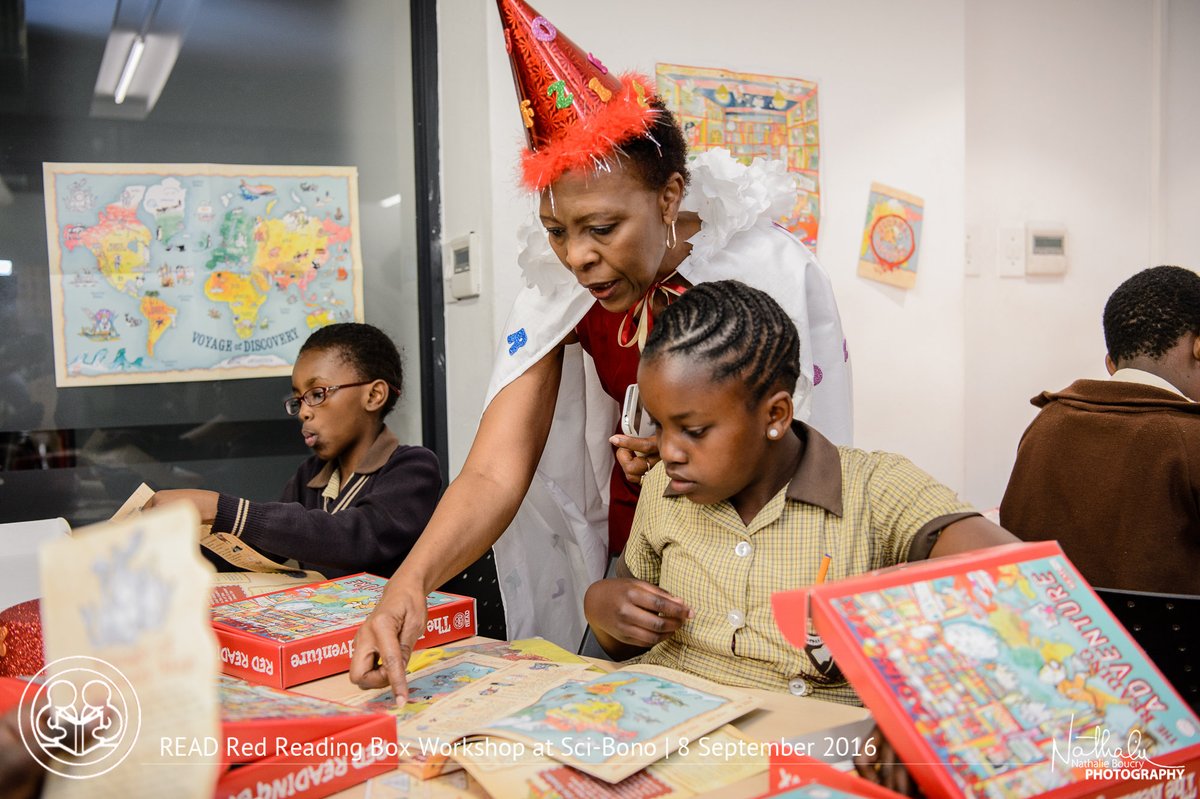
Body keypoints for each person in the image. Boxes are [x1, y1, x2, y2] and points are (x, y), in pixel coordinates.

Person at [350, 0, 852, 696]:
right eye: (557, 231)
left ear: (669, 196)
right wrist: (410, 584)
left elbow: (807, 449)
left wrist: (686, 447)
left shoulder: (766, 271)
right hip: (644, 549)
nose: (577, 257)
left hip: (761, 551)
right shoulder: (565, 291)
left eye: (603, 228)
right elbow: (494, 471)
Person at [584, 280, 1017, 704]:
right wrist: (602, 608)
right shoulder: (662, 487)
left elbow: (1015, 583)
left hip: (811, 738)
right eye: (659, 425)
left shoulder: (874, 489)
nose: (668, 451)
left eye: (694, 431)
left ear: (775, 415)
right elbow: (623, 637)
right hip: (672, 719)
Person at [147, 323, 440, 579]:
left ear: (374, 395)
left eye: (317, 394)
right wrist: (165, 552)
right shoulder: (310, 476)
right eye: (299, 400)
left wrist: (220, 508)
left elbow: (356, 538)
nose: (303, 412)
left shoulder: (413, 468)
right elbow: (258, 550)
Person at [1000, 265, 1200, 594]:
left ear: (1110, 363)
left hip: (1060, 624)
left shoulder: (1044, 424)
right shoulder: (1190, 440)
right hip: (1165, 631)